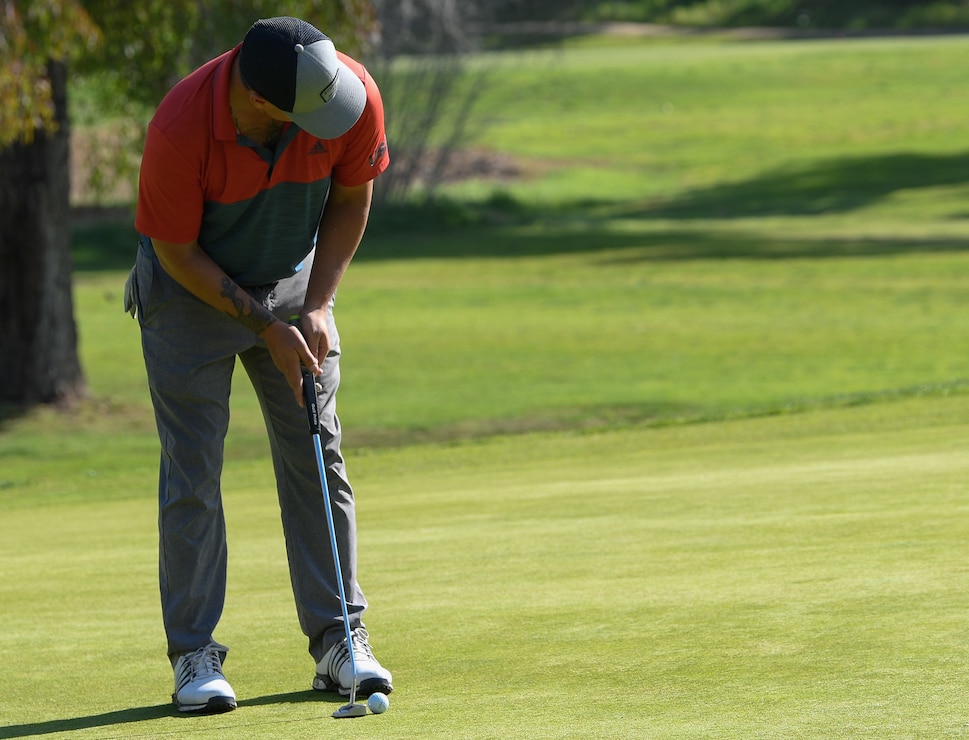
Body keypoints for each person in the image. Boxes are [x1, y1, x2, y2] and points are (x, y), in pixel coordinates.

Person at [123, 16, 392, 714]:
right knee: (194, 467)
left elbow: (351, 197)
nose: (335, 113)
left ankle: (340, 639)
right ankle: (193, 655)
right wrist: (264, 327)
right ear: (266, 102)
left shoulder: (349, 93)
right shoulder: (182, 126)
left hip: (294, 278)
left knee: (318, 450)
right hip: (188, 292)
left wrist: (321, 303)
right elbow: (178, 253)